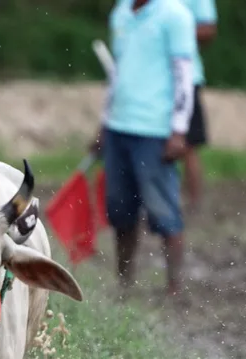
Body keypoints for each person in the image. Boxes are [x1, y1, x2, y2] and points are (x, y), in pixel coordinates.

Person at [91, 0, 197, 296]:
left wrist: (178, 129)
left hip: (155, 131)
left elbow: (183, 75)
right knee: (120, 211)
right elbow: (116, 74)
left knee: (164, 211)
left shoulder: (175, 15)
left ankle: (174, 287)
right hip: (119, 127)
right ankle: (124, 285)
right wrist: (103, 124)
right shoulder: (122, 12)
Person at [179, 0, 217, 211]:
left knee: (188, 143)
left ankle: (193, 204)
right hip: (148, 81)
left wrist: (173, 31)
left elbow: (208, 29)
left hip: (185, 77)